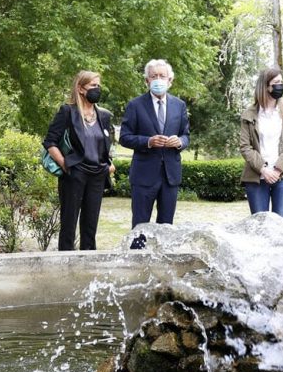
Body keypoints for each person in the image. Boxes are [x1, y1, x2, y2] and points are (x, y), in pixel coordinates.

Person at [43, 70, 115, 251]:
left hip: (98, 174)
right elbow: (50, 142)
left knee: (90, 226)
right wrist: (66, 165)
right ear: (81, 89)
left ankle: (89, 266)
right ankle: (65, 264)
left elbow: (105, 142)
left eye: (98, 86)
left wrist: (109, 164)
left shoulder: (104, 116)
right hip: (75, 174)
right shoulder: (68, 112)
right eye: (93, 86)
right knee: (69, 224)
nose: (97, 89)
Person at [120, 59, 190, 230]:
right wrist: (148, 142)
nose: (158, 79)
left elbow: (186, 135)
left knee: (166, 227)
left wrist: (180, 142)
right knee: (140, 226)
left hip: (170, 176)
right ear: (147, 80)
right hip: (144, 175)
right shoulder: (135, 105)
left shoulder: (179, 105)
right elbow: (124, 137)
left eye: (162, 76)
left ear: (170, 80)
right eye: (153, 76)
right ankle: (138, 256)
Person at [239, 67, 283, 220]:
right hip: (256, 177)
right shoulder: (249, 114)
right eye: (276, 82)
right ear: (265, 86)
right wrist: (264, 170)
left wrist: (278, 170)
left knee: (280, 226)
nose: (280, 86)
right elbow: (245, 147)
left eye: (282, 82)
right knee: (259, 225)